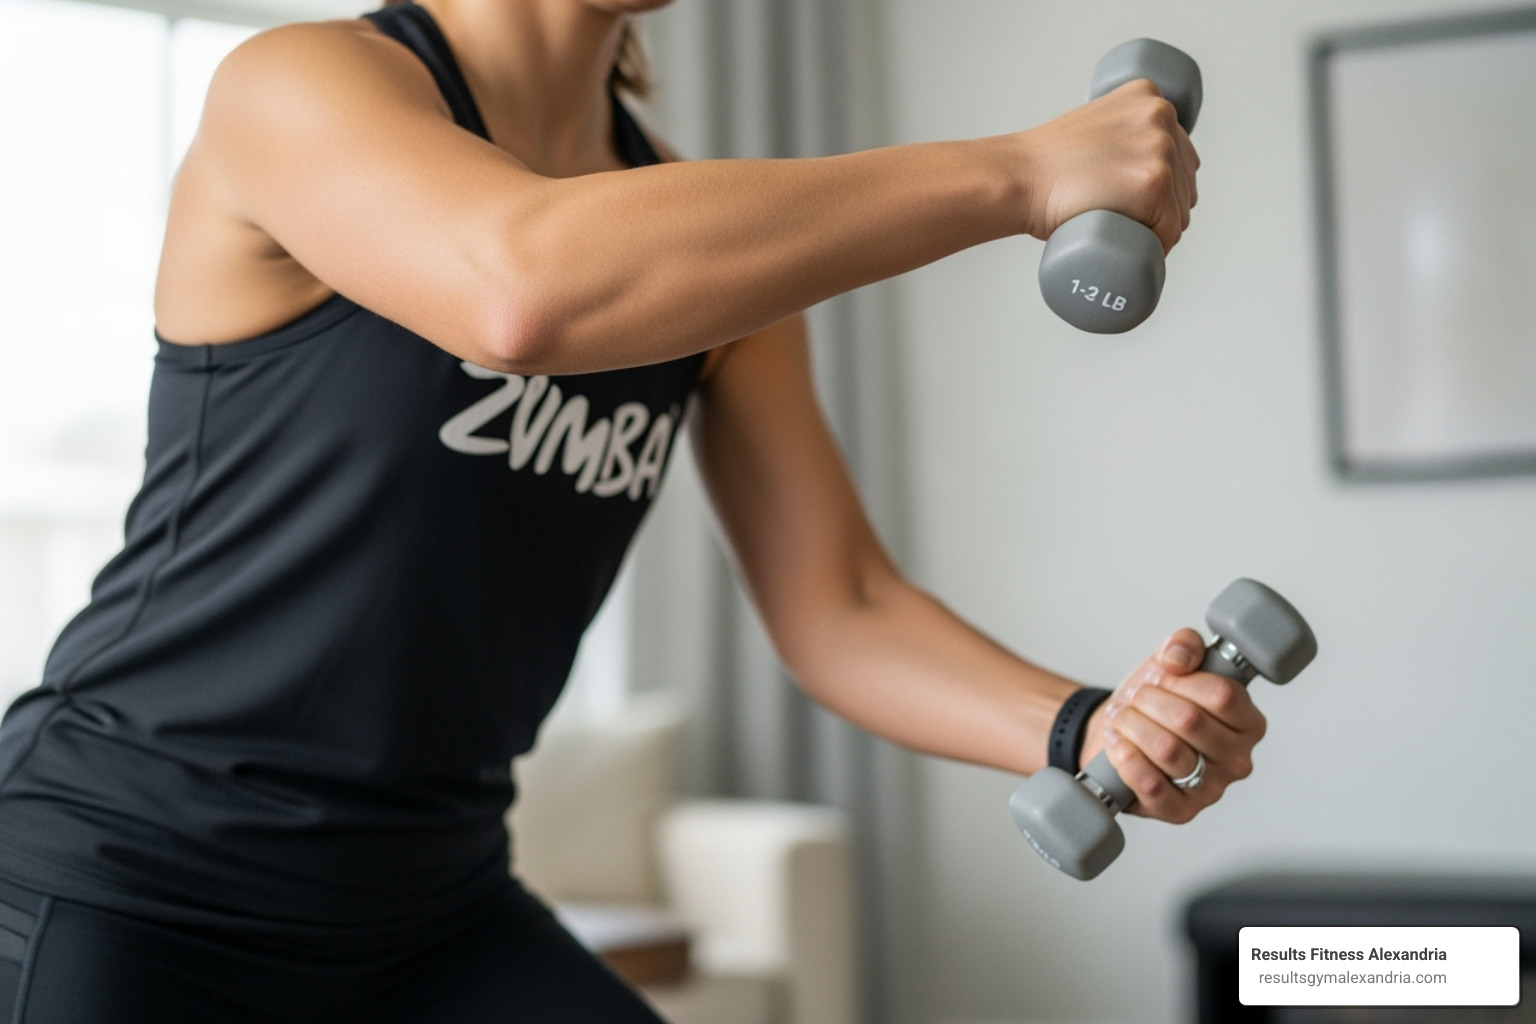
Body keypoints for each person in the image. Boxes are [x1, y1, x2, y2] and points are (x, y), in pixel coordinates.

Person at [0, 0, 1256, 1020]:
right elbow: (522, 289)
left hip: (429, 908)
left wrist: (1086, 730)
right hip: (134, 878)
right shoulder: (298, 84)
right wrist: (1021, 171)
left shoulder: (704, 241)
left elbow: (842, 605)